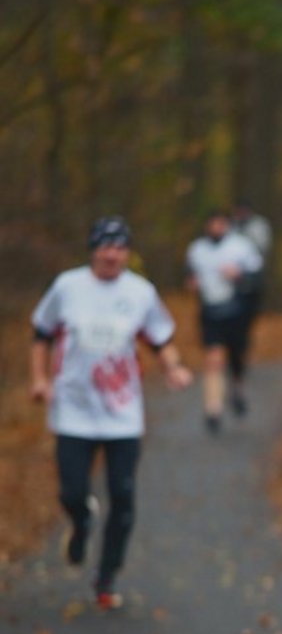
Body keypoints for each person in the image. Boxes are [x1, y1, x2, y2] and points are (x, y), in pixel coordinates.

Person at [29, 216, 192, 610]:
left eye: (120, 248)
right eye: (106, 246)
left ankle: (106, 577)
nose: (113, 255)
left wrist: (173, 367)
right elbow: (41, 334)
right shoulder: (68, 287)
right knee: (72, 491)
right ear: (93, 250)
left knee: (122, 495)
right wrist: (39, 379)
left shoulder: (140, 292)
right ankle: (81, 520)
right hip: (73, 409)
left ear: (127, 254)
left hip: (122, 413)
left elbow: (160, 338)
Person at [185, 210, 263, 430]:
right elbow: (189, 273)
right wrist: (192, 282)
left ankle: (237, 388)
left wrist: (239, 275)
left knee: (236, 356)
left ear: (227, 226)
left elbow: (257, 277)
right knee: (213, 358)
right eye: (213, 224)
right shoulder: (197, 249)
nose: (216, 228)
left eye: (220, 224)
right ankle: (213, 408)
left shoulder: (241, 247)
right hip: (210, 311)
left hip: (237, 310)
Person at [231, 198, 273, 322]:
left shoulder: (259, 225)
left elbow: (263, 247)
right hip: (234, 272)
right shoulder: (232, 225)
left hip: (253, 271)